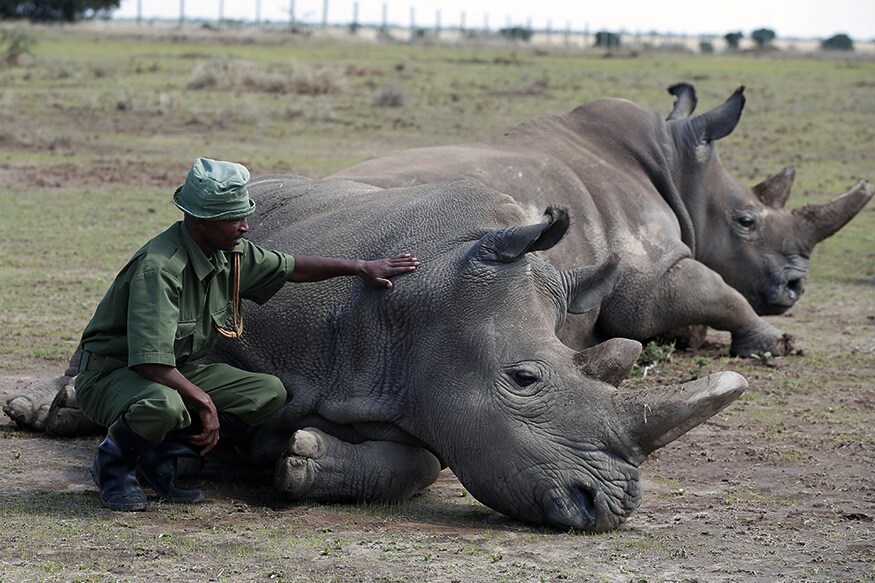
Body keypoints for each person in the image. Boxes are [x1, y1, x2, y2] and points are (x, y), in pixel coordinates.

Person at [75, 157, 419, 511]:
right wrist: (205, 403)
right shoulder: (160, 269)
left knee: (267, 392)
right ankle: (112, 466)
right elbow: (150, 362)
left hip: (173, 370)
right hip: (113, 374)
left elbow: (291, 268)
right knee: (164, 404)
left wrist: (360, 268)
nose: (245, 226)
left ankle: (160, 454)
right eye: (235, 219)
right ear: (202, 222)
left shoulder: (227, 255)